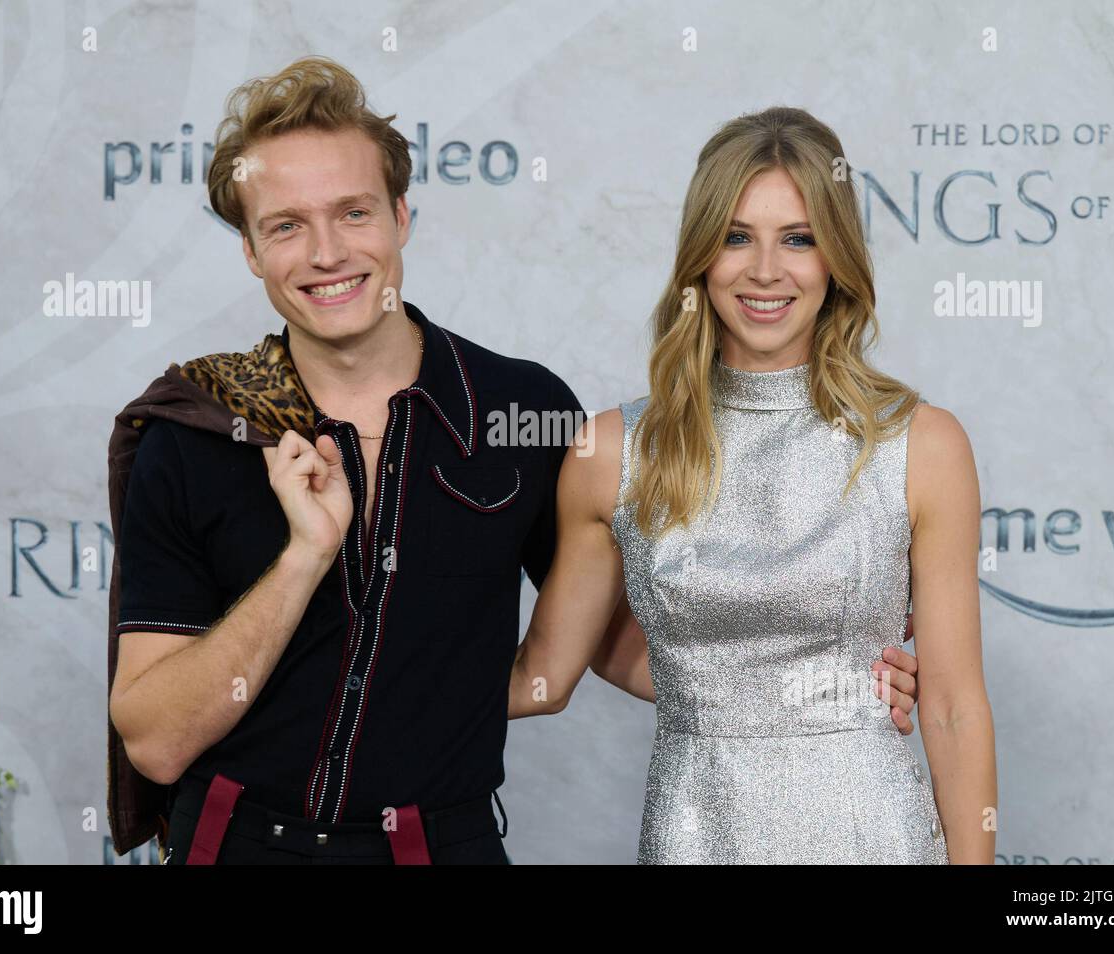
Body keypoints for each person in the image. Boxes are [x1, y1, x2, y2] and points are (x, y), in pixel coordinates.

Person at [106, 57, 926, 865]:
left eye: (353, 213)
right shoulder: (201, 433)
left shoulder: (521, 413)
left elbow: (595, 647)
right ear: (252, 250)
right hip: (237, 844)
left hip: (437, 843)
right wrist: (304, 560)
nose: (327, 253)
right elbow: (156, 745)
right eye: (286, 225)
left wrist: (819, 685)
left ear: (401, 216)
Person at [509, 107, 996, 864]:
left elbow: (957, 708)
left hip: (871, 833)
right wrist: (338, 681)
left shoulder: (921, 444)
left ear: (836, 258)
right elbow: (545, 673)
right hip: (695, 832)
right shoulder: (611, 450)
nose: (765, 269)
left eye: (797, 239)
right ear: (700, 256)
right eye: (737, 236)